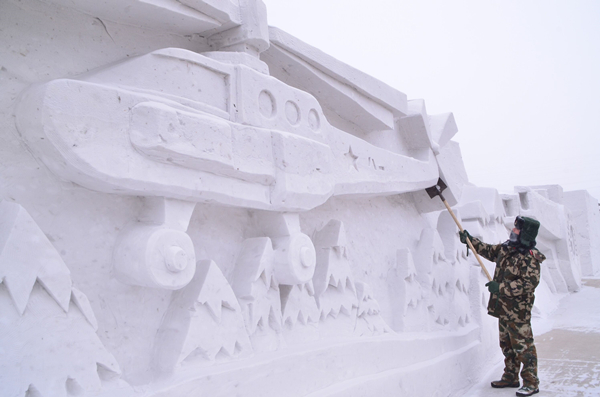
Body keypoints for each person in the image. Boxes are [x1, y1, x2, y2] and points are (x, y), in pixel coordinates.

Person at [459, 216, 545, 397]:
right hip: (504, 308)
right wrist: (470, 241)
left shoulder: (530, 258)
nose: (513, 232)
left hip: (518, 311)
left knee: (523, 347)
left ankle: (531, 382)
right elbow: (490, 251)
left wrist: (501, 288)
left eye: (517, 230)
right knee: (507, 345)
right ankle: (511, 377)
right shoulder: (507, 249)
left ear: (525, 234)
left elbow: (528, 284)